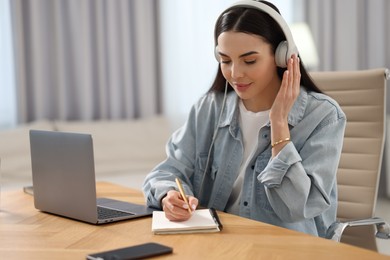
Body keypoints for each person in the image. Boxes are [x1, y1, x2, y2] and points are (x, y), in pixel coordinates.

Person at [142, 0, 346, 238]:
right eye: (225, 60)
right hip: (218, 244)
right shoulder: (209, 108)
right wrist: (169, 195)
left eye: (249, 61)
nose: (235, 74)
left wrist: (279, 124)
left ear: (282, 56)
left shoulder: (323, 116)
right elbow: (168, 170)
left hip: (283, 247)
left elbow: (297, 208)